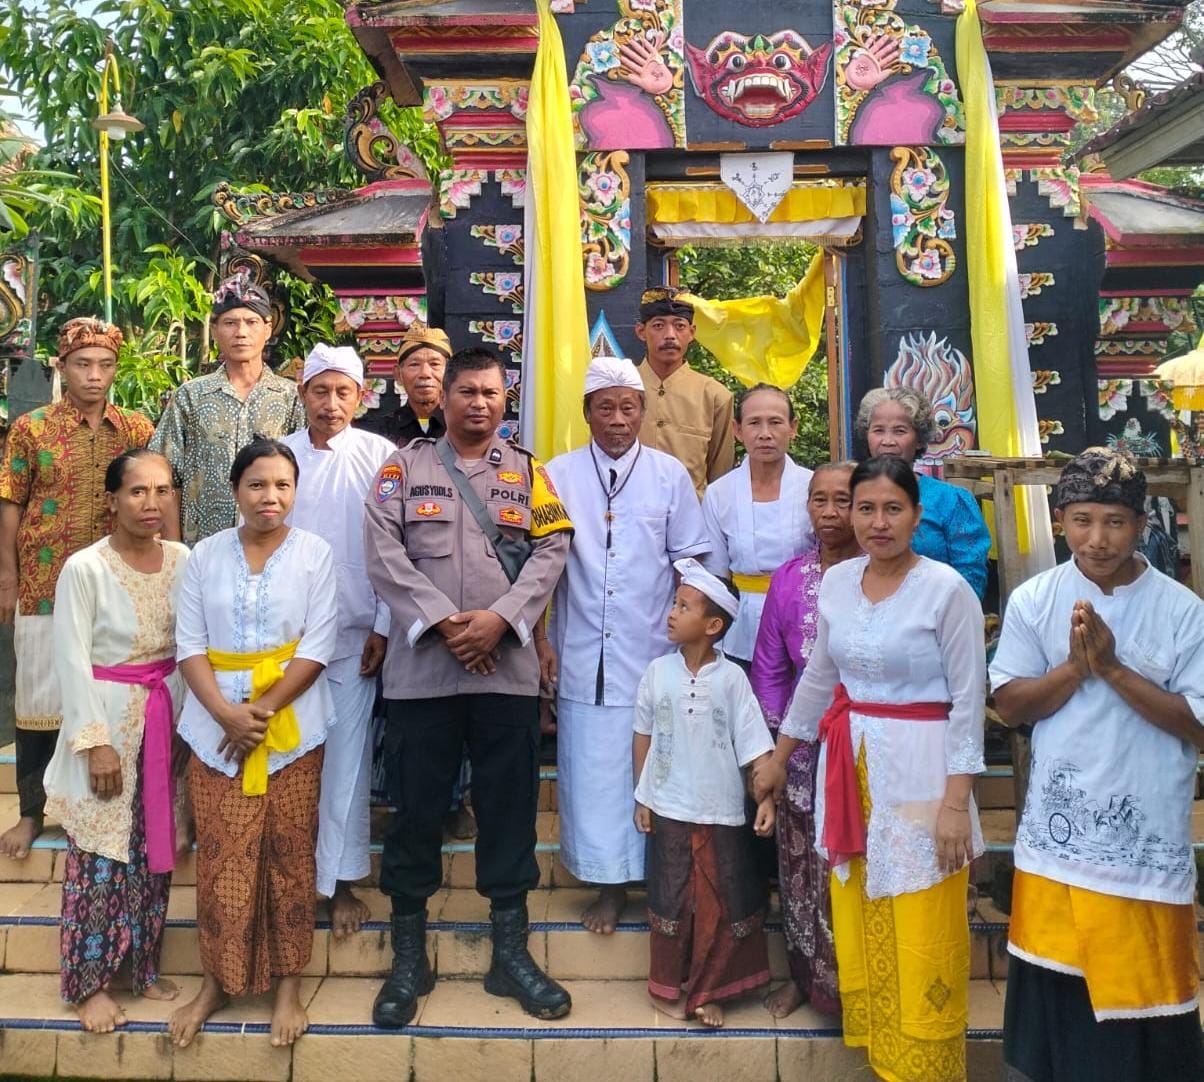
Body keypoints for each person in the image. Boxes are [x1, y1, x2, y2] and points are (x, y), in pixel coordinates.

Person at [754, 455, 986, 1082]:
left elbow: (969, 700)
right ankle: (886, 1059)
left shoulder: (946, 589)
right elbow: (819, 681)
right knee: (864, 913)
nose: (877, 523)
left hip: (923, 769)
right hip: (850, 769)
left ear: (916, 515)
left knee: (921, 914)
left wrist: (954, 802)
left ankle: (927, 1064)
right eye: (865, 508)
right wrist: (779, 759)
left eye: (892, 508)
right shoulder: (837, 583)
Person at [364, 347, 574, 1027]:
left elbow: (552, 551)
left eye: (491, 392)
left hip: (505, 674)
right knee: (416, 810)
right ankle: (408, 957)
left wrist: (500, 621)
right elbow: (383, 555)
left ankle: (509, 955)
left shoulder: (530, 474)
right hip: (423, 673)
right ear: (443, 396)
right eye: (466, 392)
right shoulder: (402, 469)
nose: (479, 403)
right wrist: (447, 624)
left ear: (505, 398)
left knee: (508, 812)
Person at [990, 448, 1204, 1082]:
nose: (1097, 539)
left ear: (1142, 524)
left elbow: (1197, 722)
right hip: (1058, 844)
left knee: (1145, 999)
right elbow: (1010, 704)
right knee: (1056, 985)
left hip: (1144, 846)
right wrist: (1076, 669)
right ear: (1060, 520)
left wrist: (1111, 669)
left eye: (1114, 521)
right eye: (1082, 520)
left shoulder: (1181, 611)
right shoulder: (1035, 599)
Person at [167, 439, 338, 1050]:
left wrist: (258, 714)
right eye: (258, 485)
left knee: (292, 856)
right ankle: (216, 982)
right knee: (221, 860)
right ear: (235, 491)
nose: (271, 498)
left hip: (292, 732)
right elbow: (188, 644)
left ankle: (289, 986)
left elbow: (318, 646)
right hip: (215, 736)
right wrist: (223, 716)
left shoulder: (315, 554)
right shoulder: (204, 556)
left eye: (283, 486)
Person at [543, 355, 710, 934]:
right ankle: (609, 887)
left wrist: (691, 637)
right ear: (587, 413)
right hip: (582, 649)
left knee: (660, 770)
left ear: (642, 411)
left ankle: (664, 886)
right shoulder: (555, 476)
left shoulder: (669, 476)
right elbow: (539, 566)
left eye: (628, 407)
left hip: (653, 653)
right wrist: (542, 638)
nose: (618, 419)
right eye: (606, 408)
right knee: (592, 775)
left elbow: (693, 558)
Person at [42, 449, 189, 1033]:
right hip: (106, 722)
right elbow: (71, 662)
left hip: (164, 719)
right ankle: (87, 983)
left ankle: (142, 969)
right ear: (112, 500)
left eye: (162, 490)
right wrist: (94, 742)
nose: (151, 503)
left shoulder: (184, 560)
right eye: (136, 492)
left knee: (152, 852)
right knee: (99, 857)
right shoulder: (85, 568)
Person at [0, 318, 155, 860]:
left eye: (105, 364)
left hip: (115, 586)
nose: (94, 375)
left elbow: (155, 496)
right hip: (43, 586)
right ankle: (30, 812)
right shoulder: (31, 429)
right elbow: (10, 506)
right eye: (82, 364)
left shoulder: (135, 428)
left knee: (104, 695)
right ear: (61, 367)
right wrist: (8, 579)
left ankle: (93, 805)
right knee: (39, 701)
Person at [280, 345, 395, 939]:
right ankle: (290, 875)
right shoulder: (281, 459)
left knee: (346, 762)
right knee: (291, 756)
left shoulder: (382, 457)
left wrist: (383, 625)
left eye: (342, 392)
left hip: (355, 638)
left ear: (361, 396)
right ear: (302, 394)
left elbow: (395, 550)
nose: (330, 404)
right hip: (284, 642)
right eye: (319, 392)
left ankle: (342, 880)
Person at [634, 558, 775, 1028]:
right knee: (673, 899)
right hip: (670, 806)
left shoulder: (733, 679)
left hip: (720, 811)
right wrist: (642, 796)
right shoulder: (657, 671)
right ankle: (671, 985)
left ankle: (710, 992)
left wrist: (766, 797)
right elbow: (644, 736)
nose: (672, 613)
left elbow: (754, 744)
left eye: (684, 606)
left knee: (721, 901)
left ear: (713, 625)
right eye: (675, 603)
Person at [749, 461, 860, 1019]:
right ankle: (804, 978)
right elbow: (769, 667)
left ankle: (857, 986)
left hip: (866, 749)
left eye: (844, 500)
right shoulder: (789, 578)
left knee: (852, 870)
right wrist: (777, 743)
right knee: (798, 870)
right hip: (799, 752)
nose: (831, 513)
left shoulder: (885, 574)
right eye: (820, 500)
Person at [150, 273, 305, 545]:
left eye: (251, 322)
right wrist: (175, 551)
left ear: (268, 329)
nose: (241, 332)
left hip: (272, 546)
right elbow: (164, 478)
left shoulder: (290, 397)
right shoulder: (191, 396)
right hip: (201, 547)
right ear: (214, 330)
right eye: (230, 323)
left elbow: (302, 475)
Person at [701, 383, 813, 667]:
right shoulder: (719, 492)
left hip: (803, 617)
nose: (765, 433)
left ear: (793, 427)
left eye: (775, 422)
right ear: (738, 430)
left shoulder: (814, 487)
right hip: (740, 623)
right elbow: (716, 571)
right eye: (754, 423)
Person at [856, 387, 990, 598]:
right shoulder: (851, 496)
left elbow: (969, 582)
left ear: (919, 439)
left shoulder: (951, 501)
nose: (888, 441)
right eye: (878, 430)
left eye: (899, 431)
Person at [636, 286, 734, 497]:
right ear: (641, 332)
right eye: (659, 326)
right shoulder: (622, 388)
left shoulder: (716, 396)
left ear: (692, 333)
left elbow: (721, 477)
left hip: (691, 520)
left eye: (679, 326)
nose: (670, 335)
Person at [382, 323, 451, 446]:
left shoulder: (464, 428)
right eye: (414, 364)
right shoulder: (379, 433)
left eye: (434, 364)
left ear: (451, 372)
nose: (425, 373)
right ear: (398, 374)